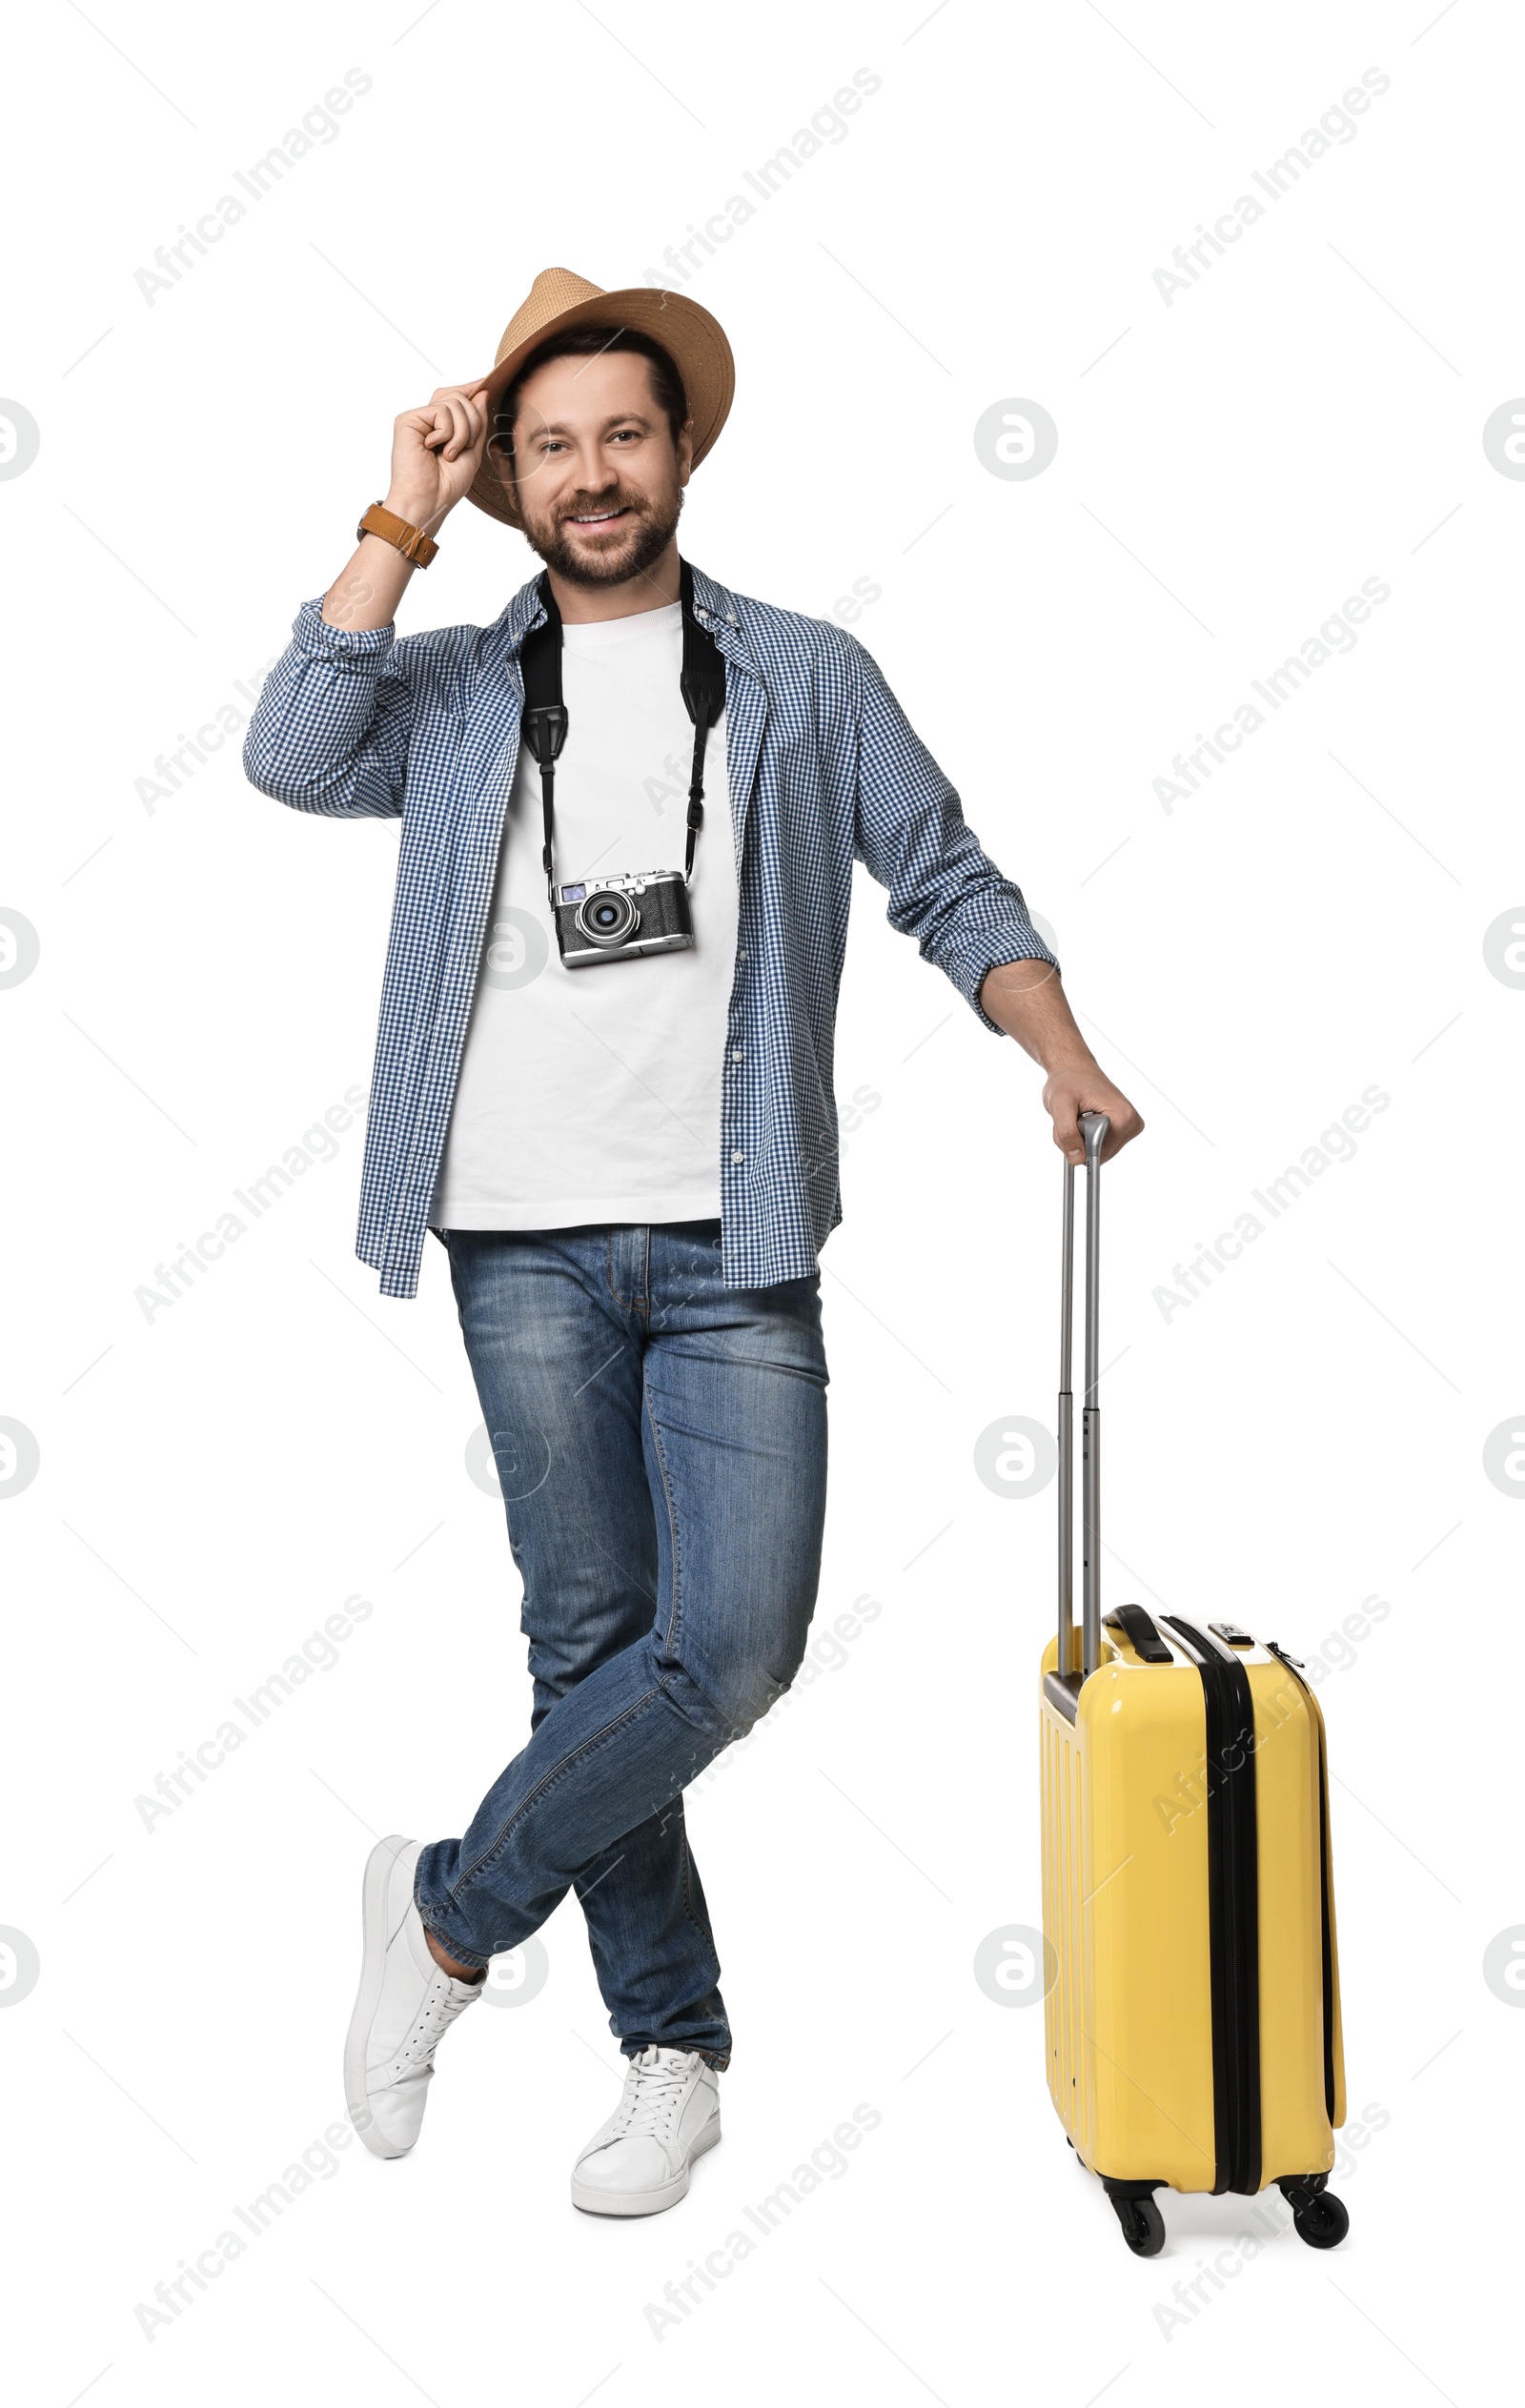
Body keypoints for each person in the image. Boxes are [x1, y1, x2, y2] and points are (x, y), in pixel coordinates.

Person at [243, 265, 1143, 2218]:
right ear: (514, 478)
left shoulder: (804, 672)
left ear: (679, 452)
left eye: (622, 435)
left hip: (734, 1238)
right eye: (548, 443)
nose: (589, 473)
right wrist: (397, 512)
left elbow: (944, 871)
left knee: (721, 1650)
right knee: (590, 1647)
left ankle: (448, 1915)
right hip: (513, 1237)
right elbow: (292, 749)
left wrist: (1054, 1050)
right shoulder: (465, 687)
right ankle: (674, 2052)